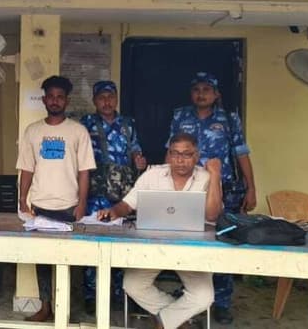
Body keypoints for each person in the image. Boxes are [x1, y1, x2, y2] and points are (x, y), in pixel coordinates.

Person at [97, 133, 222, 329]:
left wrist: (215, 175)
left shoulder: (206, 178)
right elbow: (127, 204)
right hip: (154, 246)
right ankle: (178, 321)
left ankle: (163, 322)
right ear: (169, 155)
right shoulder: (152, 175)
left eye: (187, 154)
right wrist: (113, 212)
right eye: (175, 153)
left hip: (193, 249)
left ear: (197, 156)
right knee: (132, 285)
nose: (180, 160)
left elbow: (213, 215)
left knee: (204, 296)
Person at [167, 72, 256, 325]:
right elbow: (170, 151)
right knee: (188, 243)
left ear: (216, 94)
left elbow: (241, 153)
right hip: (188, 189)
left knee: (223, 243)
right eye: (197, 89)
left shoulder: (228, 118)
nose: (201, 94)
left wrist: (251, 188)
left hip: (223, 190)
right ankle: (193, 296)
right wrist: (166, 184)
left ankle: (222, 302)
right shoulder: (180, 116)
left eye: (207, 89)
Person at [16, 75, 96, 323]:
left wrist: (82, 204)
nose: (55, 101)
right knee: (42, 260)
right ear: (44, 100)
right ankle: (45, 307)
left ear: (66, 101)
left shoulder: (78, 131)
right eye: (50, 96)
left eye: (60, 97)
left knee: (68, 260)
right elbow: (26, 168)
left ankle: (65, 309)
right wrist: (22, 199)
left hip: (68, 207)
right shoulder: (33, 131)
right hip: (40, 206)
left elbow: (84, 171)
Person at [80, 80, 147, 314]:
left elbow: (136, 149)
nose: (107, 102)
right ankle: (92, 295)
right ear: (94, 101)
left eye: (110, 97)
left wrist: (139, 159)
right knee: (93, 244)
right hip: (96, 194)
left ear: (116, 98)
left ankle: (120, 293)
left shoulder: (128, 124)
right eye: (102, 97)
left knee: (123, 244)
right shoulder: (86, 123)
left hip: (123, 196)